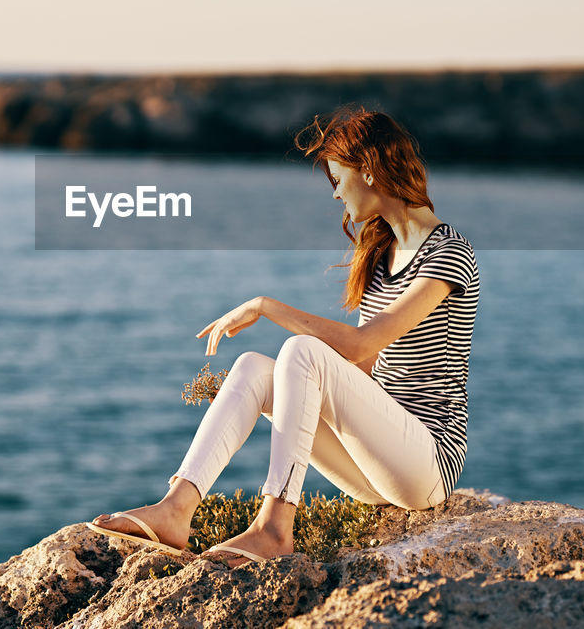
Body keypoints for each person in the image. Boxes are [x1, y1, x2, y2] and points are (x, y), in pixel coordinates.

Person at [87, 106, 480, 568]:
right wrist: (254, 399)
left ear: (368, 170)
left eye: (338, 178)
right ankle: (176, 509)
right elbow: (364, 370)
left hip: (427, 464)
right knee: (254, 368)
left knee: (303, 352)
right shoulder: (380, 253)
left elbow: (359, 346)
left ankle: (275, 527)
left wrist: (266, 306)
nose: (336, 195)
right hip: (377, 464)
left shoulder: (448, 253)